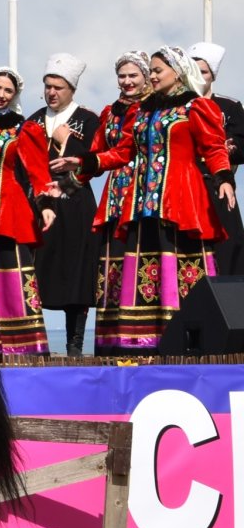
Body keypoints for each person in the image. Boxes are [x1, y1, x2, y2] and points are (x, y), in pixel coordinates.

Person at [55, 47, 235, 353]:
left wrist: (225, 179)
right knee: (143, 269)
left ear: (177, 72)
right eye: (150, 70)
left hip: (180, 197)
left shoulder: (195, 107)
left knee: (179, 266)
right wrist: (85, 163)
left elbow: (214, 147)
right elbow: (122, 153)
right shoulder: (142, 112)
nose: (151, 76)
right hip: (141, 203)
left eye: (157, 70)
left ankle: (184, 337)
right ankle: (141, 341)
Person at [17, 54, 101, 357]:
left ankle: (75, 344)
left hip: (75, 201)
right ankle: (35, 342)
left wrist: (68, 143)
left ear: (72, 89)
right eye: (48, 86)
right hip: (39, 203)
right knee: (34, 272)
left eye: (59, 87)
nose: (52, 93)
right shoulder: (33, 120)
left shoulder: (89, 119)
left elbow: (94, 161)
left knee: (77, 274)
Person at [81, 51, 151, 355]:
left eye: (133, 75)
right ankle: (113, 340)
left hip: (144, 192)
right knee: (113, 265)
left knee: (138, 260)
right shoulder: (110, 111)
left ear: (146, 77)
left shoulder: (151, 110)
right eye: (122, 76)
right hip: (115, 195)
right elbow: (96, 151)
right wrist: (72, 176)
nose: (127, 81)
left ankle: (143, 338)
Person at [0, 67, 51, 355]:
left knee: (11, 272)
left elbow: (38, 169)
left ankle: (20, 346)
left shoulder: (22, 127)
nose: (1, 94)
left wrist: (46, 204)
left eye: (8, 91)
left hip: (8, 208)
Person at [189, 42, 244, 276]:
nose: (199, 77)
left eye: (204, 72)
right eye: (193, 71)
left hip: (218, 187)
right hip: (185, 188)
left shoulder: (229, 107)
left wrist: (226, 149)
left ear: (212, 75)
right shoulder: (175, 108)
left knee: (228, 249)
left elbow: (241, 145)